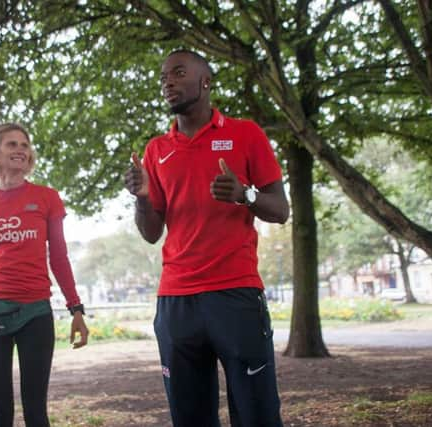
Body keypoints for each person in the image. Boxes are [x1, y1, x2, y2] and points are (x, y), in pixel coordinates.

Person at [124, 50, 289, 427]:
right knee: (190, 418)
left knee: (257, 415)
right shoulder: (156, 150)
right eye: (164, 76)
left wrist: (244, 194)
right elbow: (151, 233)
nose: (168, 82)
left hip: (235, 294)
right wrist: (143, 197)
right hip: (176, 302)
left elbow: (280, 209)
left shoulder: (245, 133)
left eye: (179, 73)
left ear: (205, 81)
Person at [0, 122, 88, 427]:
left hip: (35, 312)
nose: (21, 150)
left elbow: (60, 258)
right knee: (0, 414)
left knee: (36, 411)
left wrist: (75, 307)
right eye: (12, 145)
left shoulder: (47, 197)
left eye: (24, 145)